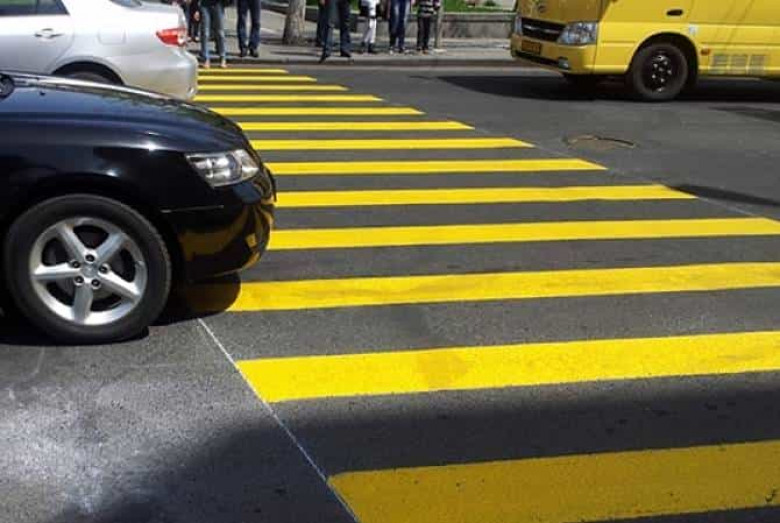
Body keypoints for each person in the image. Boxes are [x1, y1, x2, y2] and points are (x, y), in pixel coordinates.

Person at [200, 0, 228, 68]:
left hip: (218, 4)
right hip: (204, 4)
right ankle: (206, 59)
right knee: (205, 33)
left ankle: (223, 58)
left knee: (220, 32)